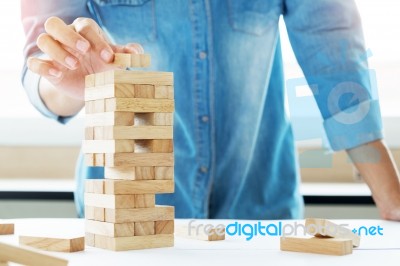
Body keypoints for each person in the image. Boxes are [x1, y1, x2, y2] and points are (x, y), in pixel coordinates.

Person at [21, 0, 400, 220]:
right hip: (128, 215)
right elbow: (41, 63)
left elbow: (332, 46)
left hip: (259, 209)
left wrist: (389, 194)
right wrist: (70, 80)